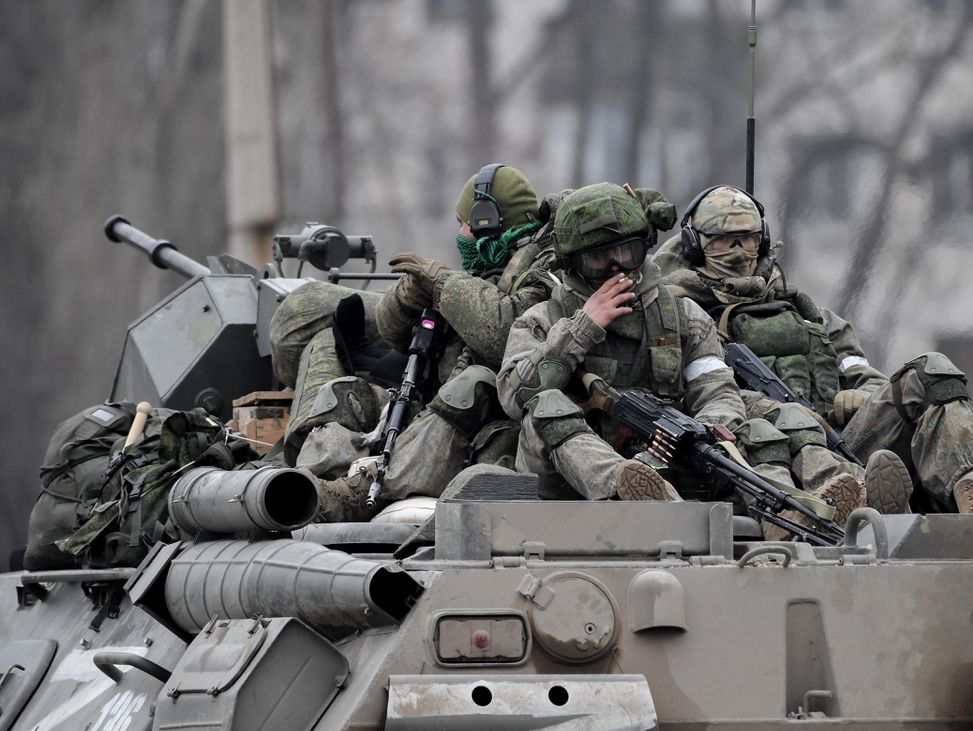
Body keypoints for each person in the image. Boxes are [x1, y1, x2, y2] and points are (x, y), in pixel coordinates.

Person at [657, 185, 973, 514]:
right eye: (721, 241)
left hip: (843, 442)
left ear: (761, 241)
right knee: (788, 422)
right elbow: (700, 401)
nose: (737, 251)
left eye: (746, 238)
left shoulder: (811, 317)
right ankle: (860, 495)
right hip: (760, 459)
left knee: (931, 372)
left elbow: (866, 377)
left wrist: (858, 397)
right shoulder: (680, 317)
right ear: (694, 245)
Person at [499, 182, 829, 513]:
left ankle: (787, 512)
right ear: (573, 265)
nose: (616, 267)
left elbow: (717, 392)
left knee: (753, 427)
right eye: (598, 260)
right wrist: (582, 328)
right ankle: (624, 483)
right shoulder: (543, 319)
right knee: (548, 406)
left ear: (642, 249)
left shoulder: (683, 316)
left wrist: (702, 433)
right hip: (570, 486)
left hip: (668, 464)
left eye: (626, 252)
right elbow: (515, 398)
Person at [269, 164, 559, 520]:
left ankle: (358, 491)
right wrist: (407, 296)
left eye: (465, 221)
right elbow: (392, 332)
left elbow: (505, 336)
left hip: (478, 428)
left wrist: (442, 283)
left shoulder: (541, 272)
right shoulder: (487, 267)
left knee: (472, 383)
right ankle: (304, 480)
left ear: (488, 221)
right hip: (429, 407)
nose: (461, 233)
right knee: (343, 390)